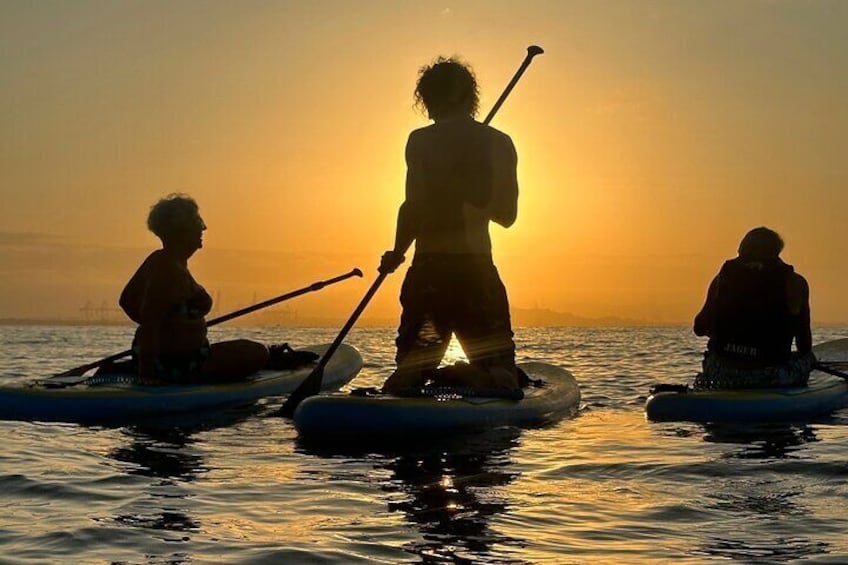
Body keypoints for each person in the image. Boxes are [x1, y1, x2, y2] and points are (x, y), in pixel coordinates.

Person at [378, 56, 521, 395]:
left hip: (430, 279)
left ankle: (421, 378)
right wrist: (477, 197)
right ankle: (477, 376)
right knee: (505, 380)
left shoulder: (420, 142)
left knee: (411, 371)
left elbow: (412, 207)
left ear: (429, 97)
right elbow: (507, 216)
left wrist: (397, 253)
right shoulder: (498, 143)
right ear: (469, 96)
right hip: (475, 279)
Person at [119, 193, 269, 384]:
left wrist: (174, 325)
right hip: (181, 366)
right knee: (257, 352)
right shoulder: (169, 271)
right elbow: (149, 324)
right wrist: (147, 374)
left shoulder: (161, 260)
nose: (204, 227)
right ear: (182, 230)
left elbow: (126, 301)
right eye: (197, 221)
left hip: (181, 358)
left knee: (253, 350)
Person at [692, 226, 815, 389]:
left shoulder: (722, 278)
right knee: (809, 358)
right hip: (769, 376)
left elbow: (699, 328)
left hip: (720, 374)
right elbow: (804, 344)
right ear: (776, 252)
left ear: (742, 250)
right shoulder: (795, 282)